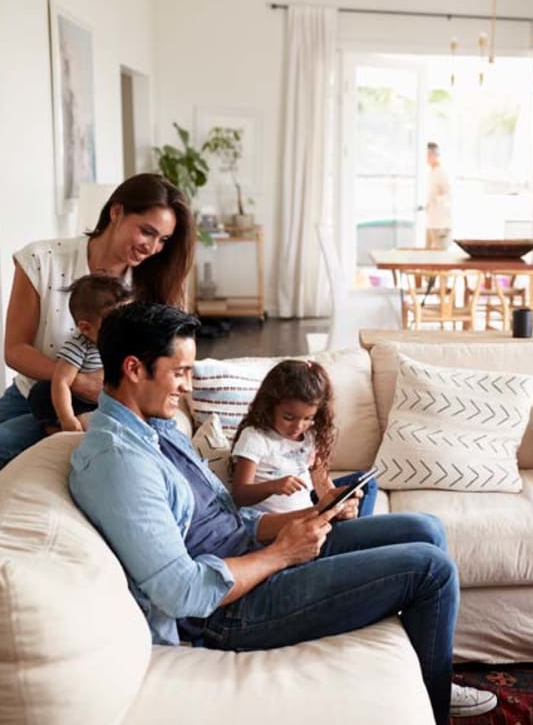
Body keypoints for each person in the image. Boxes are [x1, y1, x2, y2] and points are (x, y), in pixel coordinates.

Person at [69, 302, 497, 724]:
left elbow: (228, 517)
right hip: (226, 610)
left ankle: (429, 673)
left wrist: (299, 520)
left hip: (254, 555)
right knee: (430, 569)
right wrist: (283, 554)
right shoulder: (120, 462)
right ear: (133, 369)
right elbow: (182, 593)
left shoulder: (156, 429)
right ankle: (436, 701)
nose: (186, 387)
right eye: (178, 372)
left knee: (424, 528)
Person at [0, 172, 195, 468]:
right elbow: (15, 349)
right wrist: (76, 381)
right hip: (34, 390)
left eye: (163, 240)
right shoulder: (42, 259)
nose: (153, 247)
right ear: (116, 212)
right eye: (146, 231)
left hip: (109, 404)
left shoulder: (152, 284)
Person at [230, 359, 378, 516]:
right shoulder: (255, 437)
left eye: (308, 418)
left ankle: (353, 529)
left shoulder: (309, 435)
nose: (298, 427)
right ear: (269, 406)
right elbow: (239, 495)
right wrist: (273, 486)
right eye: (288, 417)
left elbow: (321, 483)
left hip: (310, 515)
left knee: (365, 483)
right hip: (281, 525)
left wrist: (337, 507)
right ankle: (355, 533)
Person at [28, 274, 133, 433]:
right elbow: (62, 382)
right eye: (115, 325)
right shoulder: (79, 346)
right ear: (86, 328)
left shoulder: (126, 342)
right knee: (42, 391)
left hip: (109, 402)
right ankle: (57, 430)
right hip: (78, 403)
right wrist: (67, 417)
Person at [425, 142, 452, 250]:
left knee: (439, 256)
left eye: (428, 155)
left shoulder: (442, 173)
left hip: (441, 224)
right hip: (431, 222)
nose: (426, 158)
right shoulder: (432, 173)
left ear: (434, 155)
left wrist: (435, 201)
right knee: (427, 255)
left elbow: (449, 196)